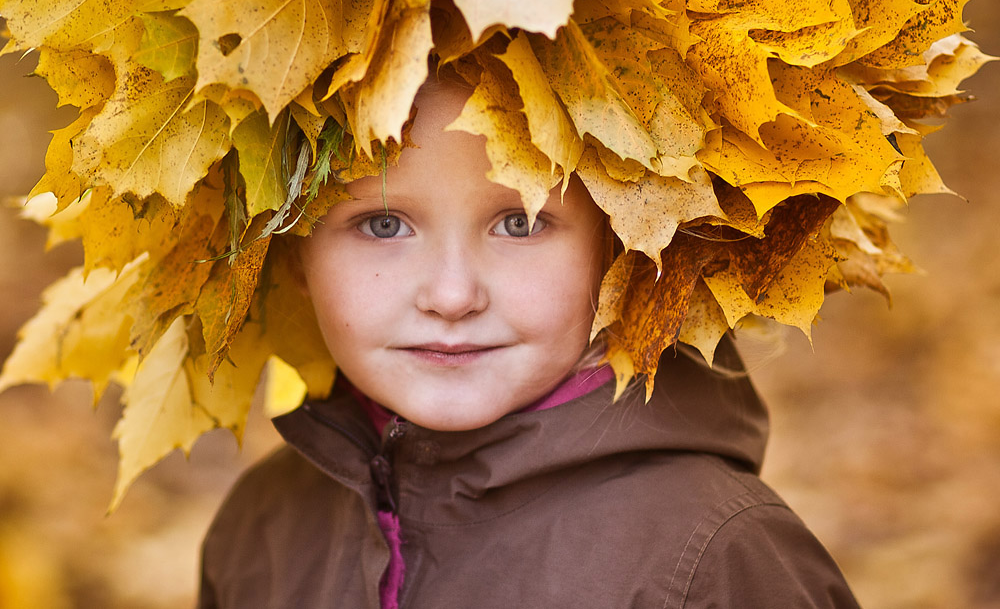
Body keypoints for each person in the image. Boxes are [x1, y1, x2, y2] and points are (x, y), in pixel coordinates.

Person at [197, 78, 861, 608]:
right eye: (383, 223)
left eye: (519, 221)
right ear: (289, 253)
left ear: (621, 243)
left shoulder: (715, 561)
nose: (452, 295)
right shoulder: (263, 530)